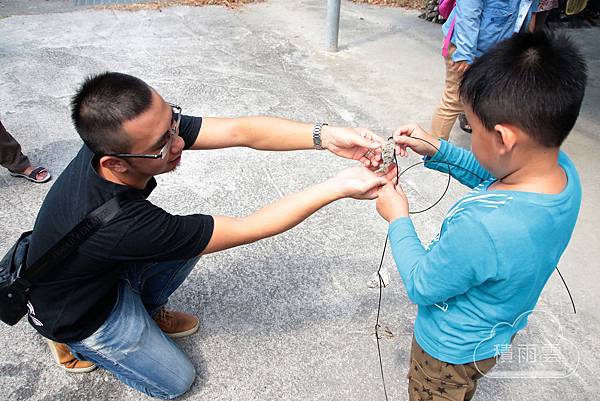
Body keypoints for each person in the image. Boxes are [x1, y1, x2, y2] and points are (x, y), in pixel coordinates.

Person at [24, 71, 390, 398]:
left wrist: (325, 137)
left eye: (173, 123)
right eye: (162, 145)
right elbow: (250, 227)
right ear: (115, 163)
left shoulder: (114, 139)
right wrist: (341, 186)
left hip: (98, 264)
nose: (178, 141)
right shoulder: (125, 225)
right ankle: (73, 345)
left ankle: (144, 309)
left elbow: (239, 131)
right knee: (176, 381)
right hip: (79, 312)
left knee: (189, 238)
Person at [376, 31, 585, 401]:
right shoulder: (562, 175)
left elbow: (423, 284)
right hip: (495, 333)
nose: (467, 136)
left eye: (470, 126)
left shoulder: (484, 227)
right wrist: (437, 149)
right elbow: (497, 172)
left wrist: (398, 219)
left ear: (504, 138)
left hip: (447, 351)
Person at [431, 0, 539, 140]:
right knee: (454, 100)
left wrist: (527, 51)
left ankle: (485, 156)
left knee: (491, 104)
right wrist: (465, 55)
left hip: (500, 53)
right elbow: (468, 15)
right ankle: (433, 154)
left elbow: (529, 14)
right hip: (466, 49)